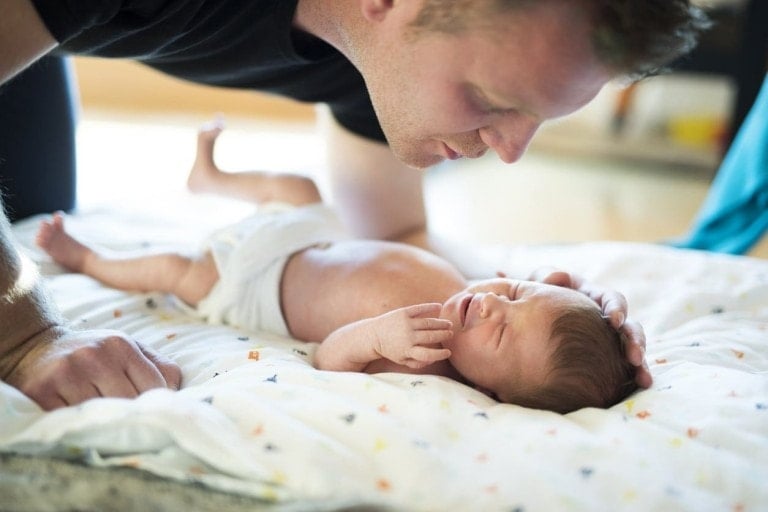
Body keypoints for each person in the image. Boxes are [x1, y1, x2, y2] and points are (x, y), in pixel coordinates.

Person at [2, 0, 705, 408]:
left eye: (538, 118)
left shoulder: (378, 62)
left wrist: (559, 317)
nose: (511, 151)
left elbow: (394, 234)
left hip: (53, 32)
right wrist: (27, 335)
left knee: (34, 210)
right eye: (492, 100)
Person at [36, 122, 637, 413]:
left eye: (501, 330)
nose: (494, 302)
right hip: (318, 239)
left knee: (174, 269)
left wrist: (376, 336)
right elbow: (549, 291)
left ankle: (87, 257)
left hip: (255, 285)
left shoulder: (424, 359)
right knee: (298, 183)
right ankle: (211, 179)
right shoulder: (480, 298)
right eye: (514, 290)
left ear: (490, 390)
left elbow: (330, 358)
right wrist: (576, 295)